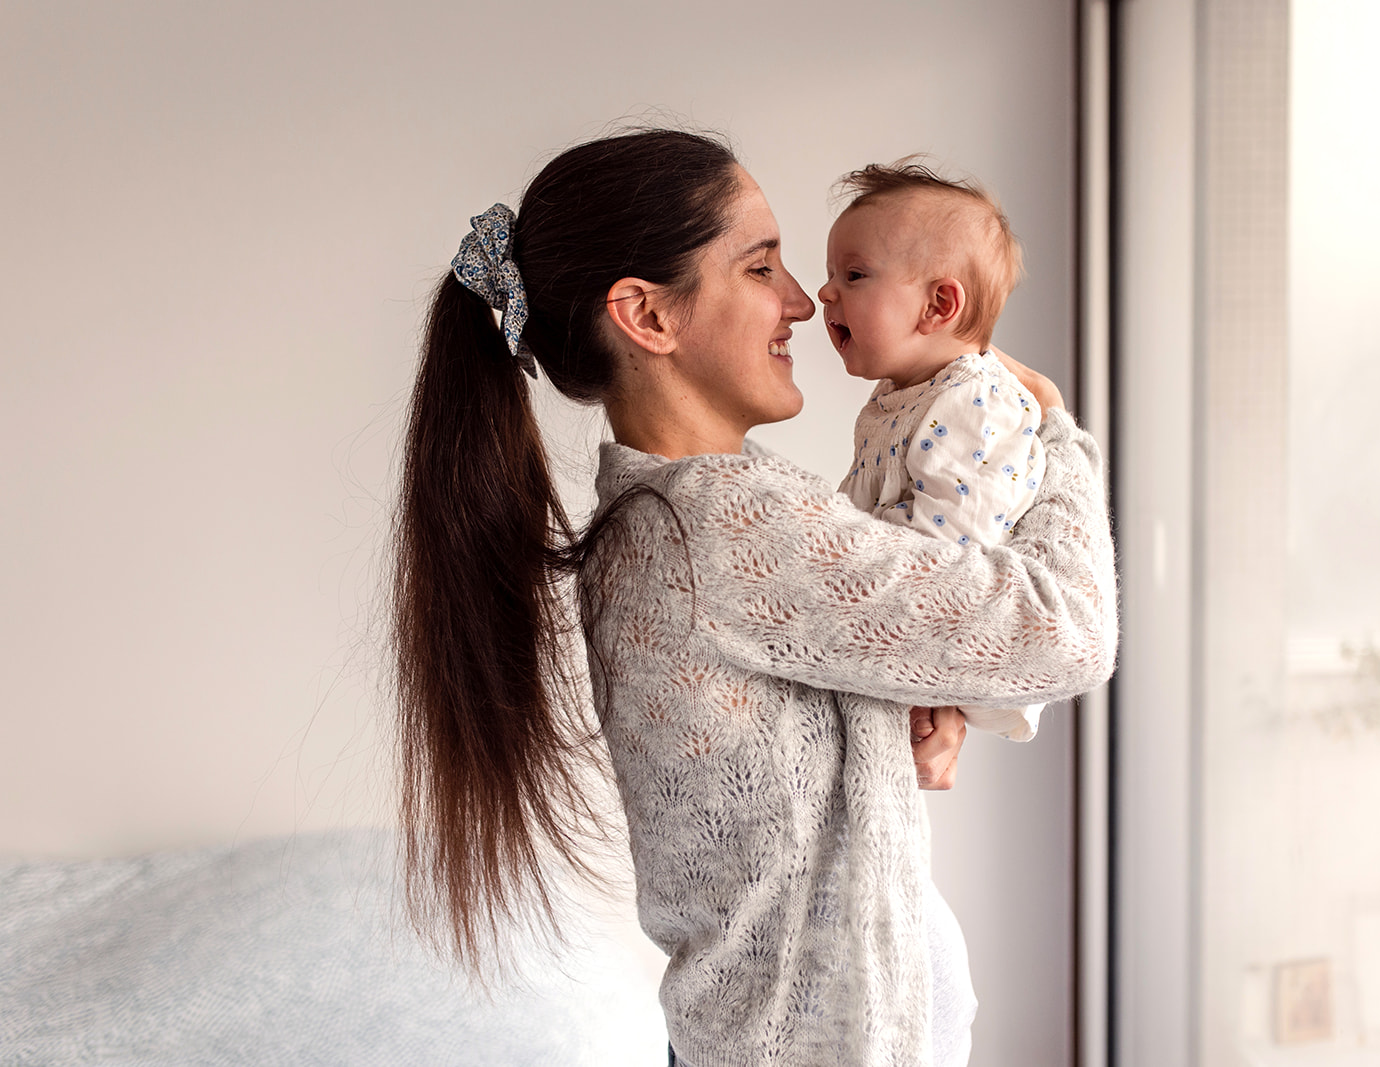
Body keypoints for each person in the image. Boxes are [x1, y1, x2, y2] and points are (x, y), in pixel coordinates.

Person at [392, 128, 1118, 1067]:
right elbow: (1067, 630)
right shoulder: (717, 526)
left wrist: (919, 709)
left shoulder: (675, 515)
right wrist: (1055, 433)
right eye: (761, 266)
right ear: (648, 316)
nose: (800, 303)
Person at [821, 160, 1046, 744]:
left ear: (938, 305)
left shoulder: (974, 400)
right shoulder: (905, 394)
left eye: (853, 275)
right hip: (911, 631)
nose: (824, 292)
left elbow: (954, 552)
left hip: (955, 637)